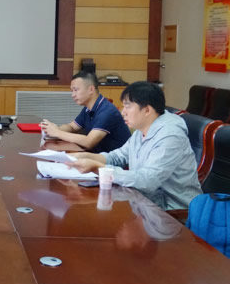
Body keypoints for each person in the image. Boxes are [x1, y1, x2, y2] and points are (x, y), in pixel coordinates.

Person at [67, 81, 202, 211]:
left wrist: (99, 168)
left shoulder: (170, 136)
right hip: (144, 201)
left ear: (147, 110)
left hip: (172, 210)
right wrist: (84, 156)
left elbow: (148, 180)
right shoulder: (142, 129)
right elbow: (118, 156)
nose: (123, 112)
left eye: (128, 106)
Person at [40, 71, 130, 152]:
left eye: (76, 90)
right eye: (72, 91)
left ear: (91, 89)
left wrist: (57, 133)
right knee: (50, 146)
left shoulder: (107, 111)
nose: (73, 95)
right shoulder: (88, 108)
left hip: (114, 160)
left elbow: (89, 142)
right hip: (97, 152)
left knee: (57, 150)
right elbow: (72, 127)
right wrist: (55, 129)